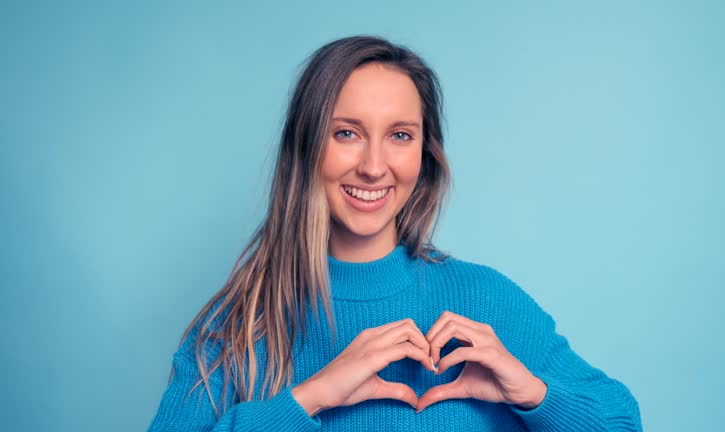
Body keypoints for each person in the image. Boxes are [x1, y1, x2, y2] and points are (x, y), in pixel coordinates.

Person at [147, 35, 643, 431]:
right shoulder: (236, 325)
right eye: (347, 133)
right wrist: (311, 397)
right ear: (306, 146)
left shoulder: (487, 301)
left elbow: (622, 423)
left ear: (424, 155)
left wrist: (534, 394)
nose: (374, 166)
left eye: (400, 136)